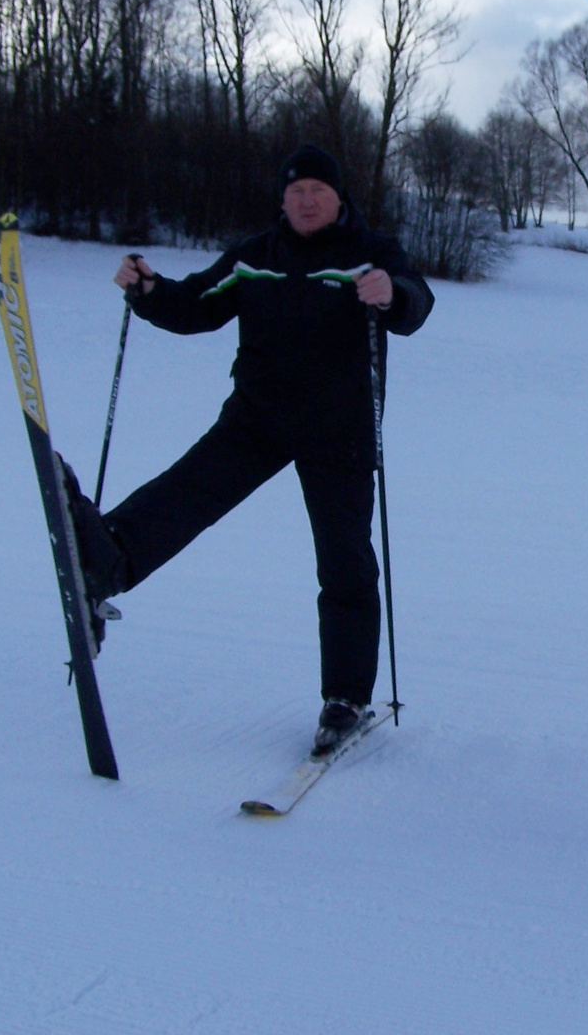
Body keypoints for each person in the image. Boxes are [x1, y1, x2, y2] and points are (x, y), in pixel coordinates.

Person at [64, 144, 434, 755]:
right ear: (283, 200)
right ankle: (108, 558)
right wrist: (149, 289)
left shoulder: (371, 253)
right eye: (296, 191)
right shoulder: (254, 255)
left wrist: (389, 292)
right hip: (259, 417)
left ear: (340, 198)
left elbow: (415, 302)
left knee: (344, 561)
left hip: (339, 428)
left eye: (318, 189)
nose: (307, 200)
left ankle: (344, 698)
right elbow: (195, 305)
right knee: (190, 490)